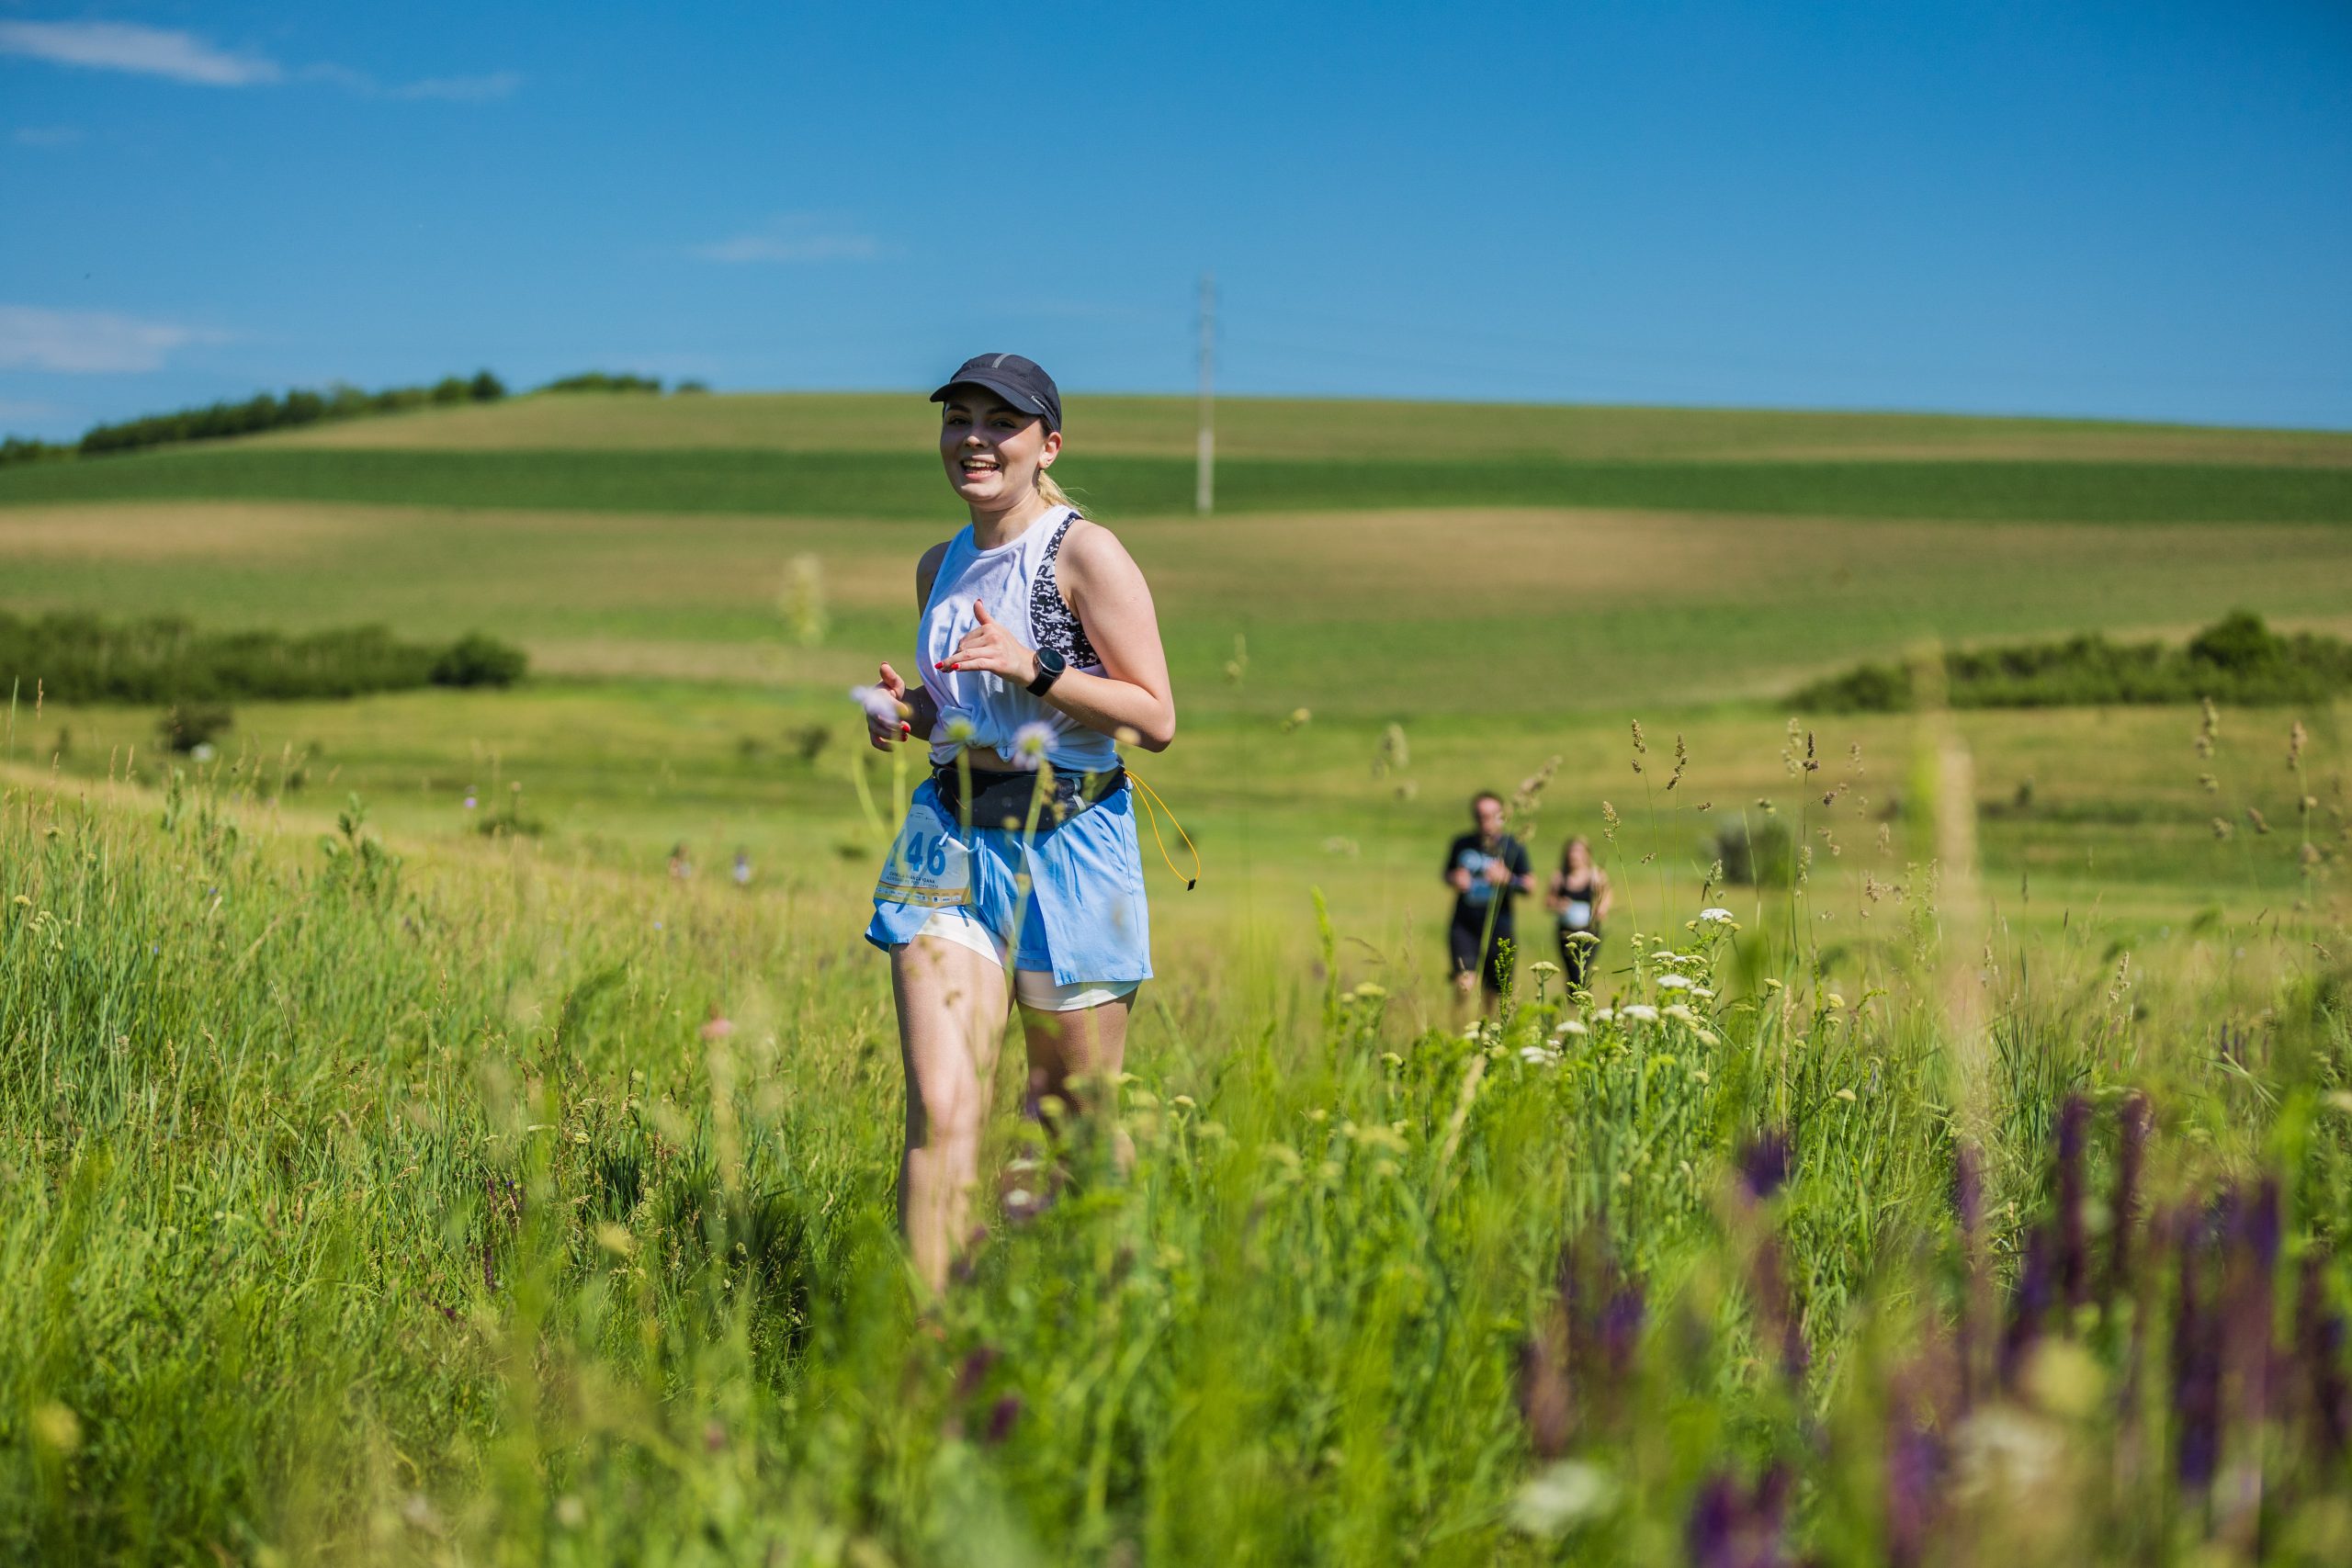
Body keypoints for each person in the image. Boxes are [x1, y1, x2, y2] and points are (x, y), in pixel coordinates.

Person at [861, 353, 1176, 1294]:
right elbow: (972, 706)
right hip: (948, 836)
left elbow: (1153, 718)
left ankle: (1076, 1324)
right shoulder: (940, 563)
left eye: (1000, 423)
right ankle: (930, 1354)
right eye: (958, 418)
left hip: (1071, 847)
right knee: (944, 1109)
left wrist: (1035, 666)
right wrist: (914, 711)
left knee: (1065, 1125)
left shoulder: (1085, 552)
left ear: (1048, 445)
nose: (974, 439)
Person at [1444, 791, 1533, 1009]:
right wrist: (1456, 878)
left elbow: (1530, 885)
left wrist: (1507, 879)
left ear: (1501, 816)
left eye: (1491, 815)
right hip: (1465, 924)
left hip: (1499, 925)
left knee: (1495, 990)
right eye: (1480, 815)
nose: (1485, 821)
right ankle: (1460, 1029)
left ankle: (1487, 1032)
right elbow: (1447, 874)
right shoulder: (1461, 843)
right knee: (1465, 982)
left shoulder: (1513, 846)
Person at [1545, 834, 1613, 988]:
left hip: (1589, 931)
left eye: (1578, 852)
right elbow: (1548, 902)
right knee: (1570, 971)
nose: (1574, 856)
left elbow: (1607, 893)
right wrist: (1558, 904)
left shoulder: (1596, 875)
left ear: (1586, 855)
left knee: (1581, 969)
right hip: (1566, 932)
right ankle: (1573, 1005)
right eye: (1571, 852)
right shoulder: (1560, 877)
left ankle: (1582, 1003)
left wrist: (1602, 908)